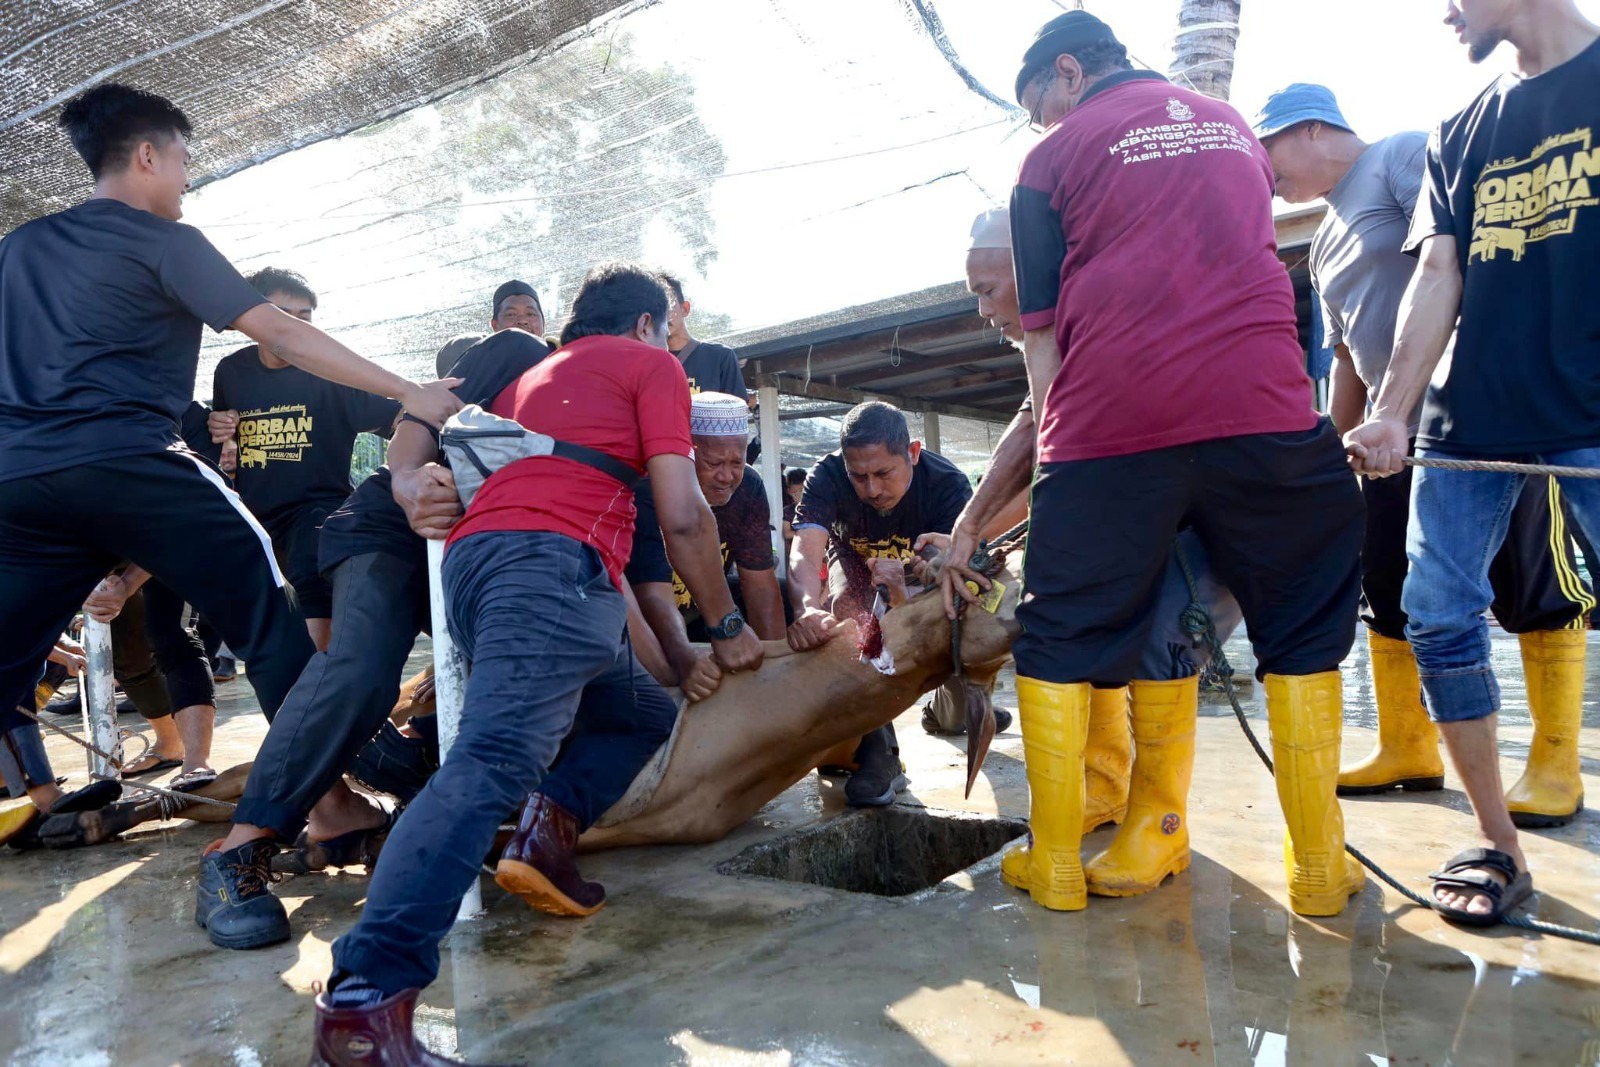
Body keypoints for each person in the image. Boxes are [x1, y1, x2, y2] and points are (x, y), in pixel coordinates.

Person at [303, 264, 763, 1065]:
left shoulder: (532, 376)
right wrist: (725, 624)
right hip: (547, 566)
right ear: (650, 325)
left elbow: (425, 424)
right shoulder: (651, 364)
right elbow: (683, 514)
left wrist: (412, 475)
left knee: (640, 709)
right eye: (667, 329)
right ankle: (362, 1005)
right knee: (487, 767)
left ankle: (544, 837)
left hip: (488, 566)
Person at [983, 12, 1365, 917]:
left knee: (1060, 634)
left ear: (1068, 73)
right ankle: (1317, 867)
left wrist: (1063, 463)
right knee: (1303, 623)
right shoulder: (1231, 128)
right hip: (1267, 420)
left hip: (1115, 430)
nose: (1040, 123)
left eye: (1038, 102)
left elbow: (1041, 342)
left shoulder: (1046, 163)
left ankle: (1058, 866)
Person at [0, 84, 460, 829]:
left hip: (17, 482)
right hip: (131, 459)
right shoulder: (165, 241)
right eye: (183, 159)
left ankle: (334, 799)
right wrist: (412, 391)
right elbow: (281, 333)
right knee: (272, 614)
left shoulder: (16, 249)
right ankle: (333, 806)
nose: (188, 177)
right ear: (147, 154)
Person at [1254, 82, 1592, 808]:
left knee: (1529, 578)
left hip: (1482, 413)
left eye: (1268, 149)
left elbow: (1462, 258)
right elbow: (1345, 356)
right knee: (1387, 582)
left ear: (1312, 129)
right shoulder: (1320, 244)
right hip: (1390, 432)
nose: (1263, 169)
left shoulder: (1401, 156)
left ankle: (1555, 762)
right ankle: (1408, 744)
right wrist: (1335, 458)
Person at [1344, 0, 1600, 926]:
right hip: (1472, 421)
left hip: (1593, 411)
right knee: (1437, 615)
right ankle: (1500, 842)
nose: (1443, 9)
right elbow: (1438, 272)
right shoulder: (1461, 128)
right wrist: (1391, 414)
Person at [947, 206, 1244, 895]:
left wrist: (973, 527)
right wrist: (974, 529)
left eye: (988, 290)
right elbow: (1038, 424)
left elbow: (1042, 433)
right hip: (1131, 507)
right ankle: (1106, 787)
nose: (983, 310)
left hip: (1203, 505)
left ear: (1036, 275)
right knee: (1102, 634)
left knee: (1164, 639)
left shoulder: (1105, 311)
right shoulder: (1049, 341)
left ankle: (1162, 824)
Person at [788, 400, 990, 806]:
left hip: (926, 576)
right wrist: (807, 606)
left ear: (912, 453)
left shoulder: (947, 484)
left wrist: (919, 578)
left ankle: (948, 708)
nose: (872, 489)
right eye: (858, 477)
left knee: (954, 662)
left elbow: (972, 564)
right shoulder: (824, 476)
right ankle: (880, 752)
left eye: (883, 473)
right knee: (849, 610)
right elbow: (805, 552)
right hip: (856, 567)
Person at [210, 268, 403, 650]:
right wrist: (220, 428)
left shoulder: (331, 371)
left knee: (312, 585)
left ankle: (317, 686)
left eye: (305, 317)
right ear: (253, 317)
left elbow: (396, 415)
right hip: (258, 518)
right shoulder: (231, 370)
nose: (295, 326)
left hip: (318, 511)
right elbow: (222, 440)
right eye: (283, 315)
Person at [630, 392, 787, 643]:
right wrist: (686, 660)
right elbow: (653, 597)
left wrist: (777, 666)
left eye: (736, 463)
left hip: (704, 614)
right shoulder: (650, 489)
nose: (726, 477)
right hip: (650, 626)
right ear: (686, 454)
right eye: (713, 463)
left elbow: (759, 585)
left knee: (784, 593)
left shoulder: (749, 486)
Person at [660, 272, 745, 398]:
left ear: (685, 309)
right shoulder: (645, 365)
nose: (662, 314)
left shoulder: (720, 357)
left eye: (668, 305)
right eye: (655, 308)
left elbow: (737, 413)